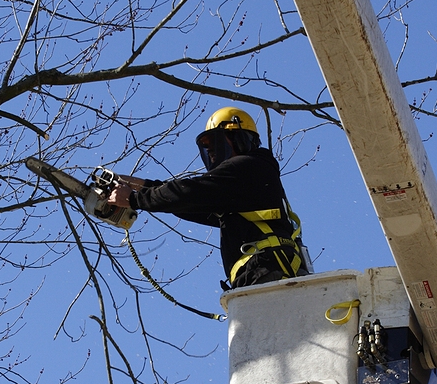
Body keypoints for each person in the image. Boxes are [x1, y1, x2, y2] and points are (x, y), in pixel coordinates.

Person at [108, 107, 310, 289]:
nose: (211, 151)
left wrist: (135, 199)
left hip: (267, 273)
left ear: (239, 138)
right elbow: (191, 203)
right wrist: (142, 185)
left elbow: (188, 193)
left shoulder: (246, 167)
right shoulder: (243, 185)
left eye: (214, 142)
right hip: (268, 273)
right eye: (207, 146)